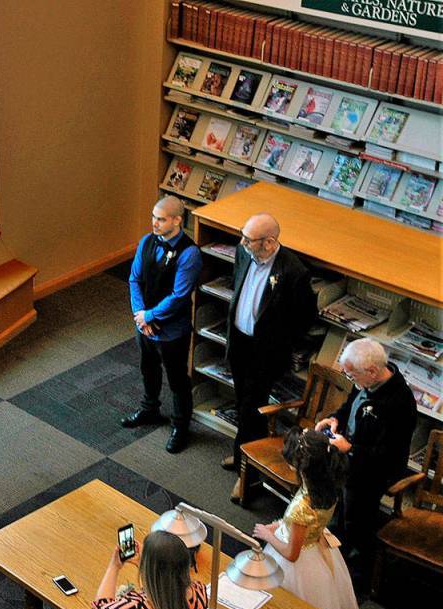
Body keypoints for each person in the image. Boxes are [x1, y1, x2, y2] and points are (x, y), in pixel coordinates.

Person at [223, 213, 316, 503]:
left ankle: (247, 476)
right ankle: (243, 453)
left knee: (253, 410)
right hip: (239, 342)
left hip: (265, 353)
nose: (241, 243)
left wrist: (281, 341)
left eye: (248, 239)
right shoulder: (243, 253)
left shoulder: (293, 272)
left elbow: (305, 317)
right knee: (242, 402)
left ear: (270, 242)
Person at [316, 338, 416, 578]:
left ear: (372, 371)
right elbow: (350, 405)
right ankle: (335, 549)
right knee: (338, 506)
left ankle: (356, 570)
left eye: (352, 376)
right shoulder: (363, 381)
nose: (351, 380)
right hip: (349, 456)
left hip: (373, 471)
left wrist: (350, 448)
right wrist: (334, 418)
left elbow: (389, 455)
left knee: (357, 519)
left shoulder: (400, 403)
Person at [120, 196, 202, 453]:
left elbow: (179, 296)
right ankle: (149, 409)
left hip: (172, 332)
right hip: (144, 324)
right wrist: (140, 315)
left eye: (161, 219)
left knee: (177, 379)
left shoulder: (190, 254)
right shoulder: (146, 242)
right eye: (153, 217)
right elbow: (134, 279)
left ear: (177, 220)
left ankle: (180, 425)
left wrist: (151, 316)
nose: (155, 223)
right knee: (149, 369)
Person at [253, 428, 360, 609]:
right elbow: (311, 524)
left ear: (299, 465)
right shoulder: (329, 488)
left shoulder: (300, 507)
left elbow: (291, 554)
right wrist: (279, 526)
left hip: (297, 562)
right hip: (318, 550)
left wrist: (267, 534)